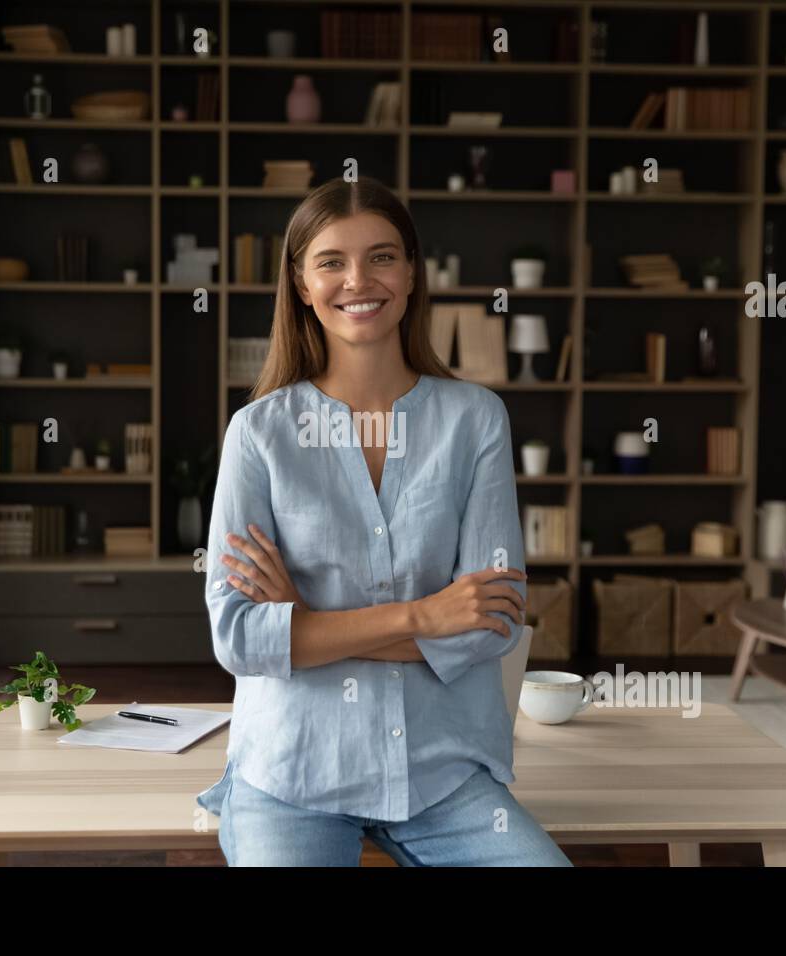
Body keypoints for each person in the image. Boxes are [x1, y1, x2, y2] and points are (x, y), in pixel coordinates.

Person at [195, 176, 571, 867]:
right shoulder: (258, 434)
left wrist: (306, 624)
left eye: (382, 256)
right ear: (302, 285)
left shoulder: (475, 419)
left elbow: (494, 622)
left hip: (443, 775)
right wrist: (424, 617)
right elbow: (240, 636)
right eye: (331, 261)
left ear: (412, 273)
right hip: (292, 773)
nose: (358, 279)